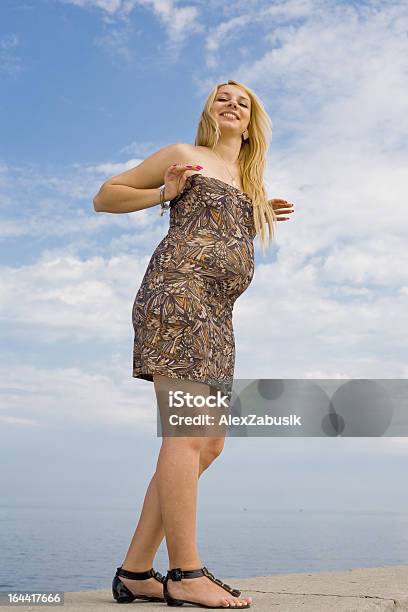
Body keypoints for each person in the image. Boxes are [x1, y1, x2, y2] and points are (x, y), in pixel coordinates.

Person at [93, 80, 295, 609]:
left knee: (208, 444)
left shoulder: (247, 182)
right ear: (210, 113)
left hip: (219, 314)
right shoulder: (185, 156)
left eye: (242, 102)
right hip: (178, 298)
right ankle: (185, 572)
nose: (232, 105)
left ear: (251, 122)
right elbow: (106, 195)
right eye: (222, 99)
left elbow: (221, 228)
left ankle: (136, 572)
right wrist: (167, 191)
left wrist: (257, 211)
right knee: (185, 436)